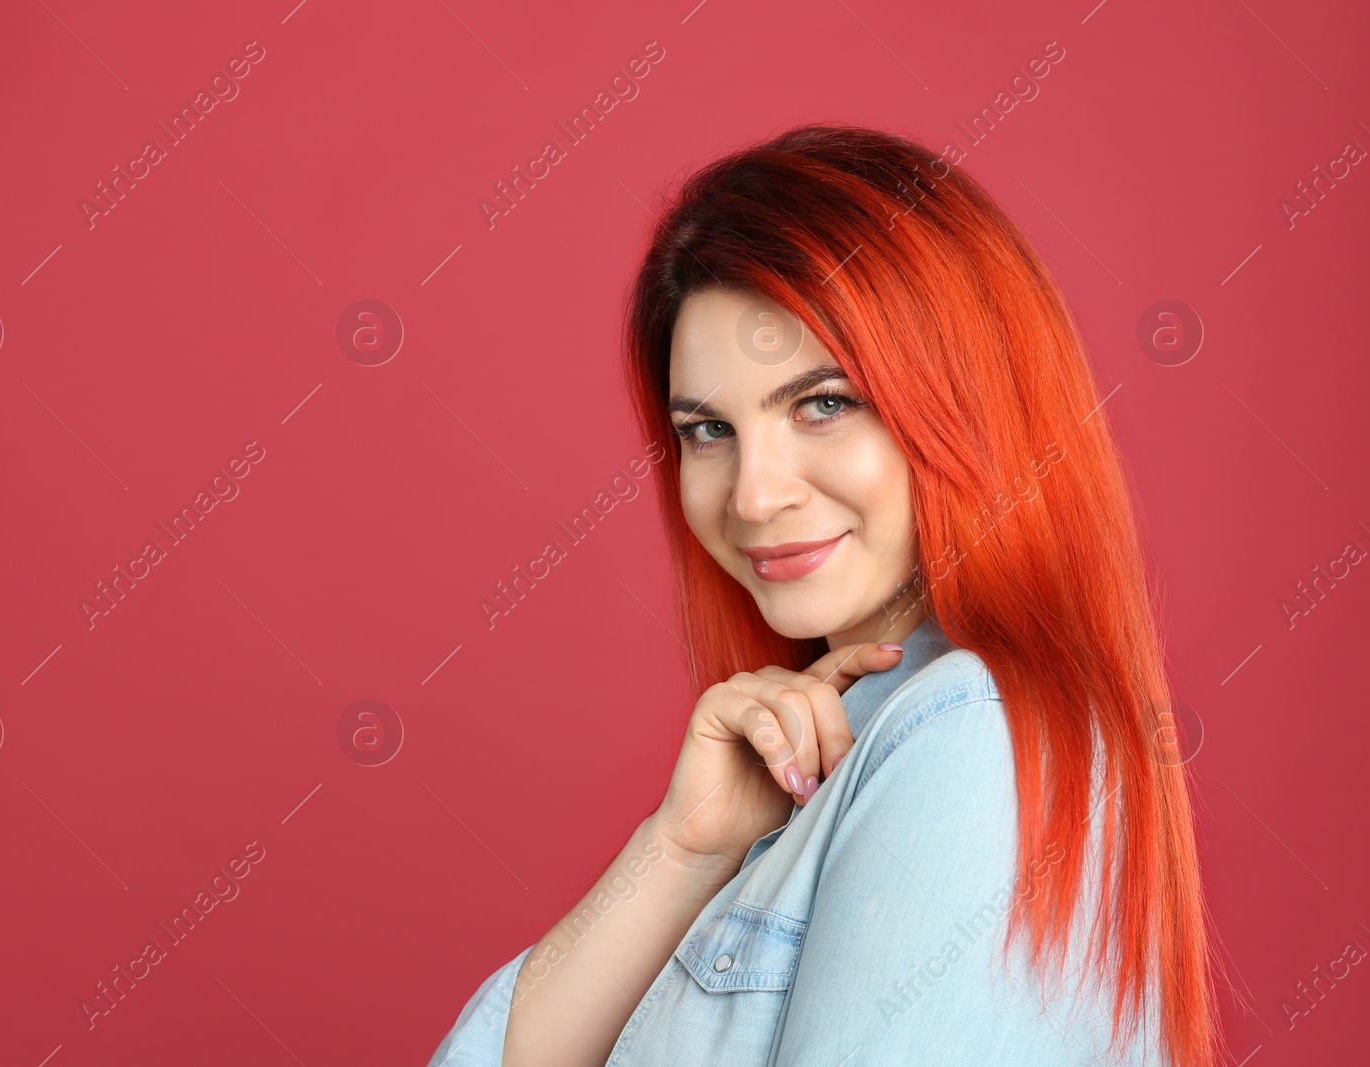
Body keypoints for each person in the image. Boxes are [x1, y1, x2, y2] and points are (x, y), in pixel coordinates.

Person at [427, 124, 1222, 1067]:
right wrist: (683, 850)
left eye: (824, 403)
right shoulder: (846, 750)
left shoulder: (974, 737)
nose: (754, 494)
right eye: (708, 428)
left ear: (967, 403)